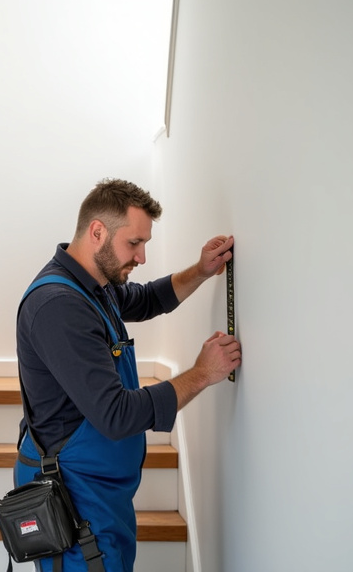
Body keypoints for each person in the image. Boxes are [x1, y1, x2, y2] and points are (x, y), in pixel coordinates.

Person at [14, 178, 241, 572]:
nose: (142, 257)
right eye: (134, 243)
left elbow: (147, 299)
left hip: (100, 492)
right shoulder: (58, 306)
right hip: (75, 497)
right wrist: (203, 373)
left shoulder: (92, 287)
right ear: (97, 232)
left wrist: (201, 271)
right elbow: (116, 414)